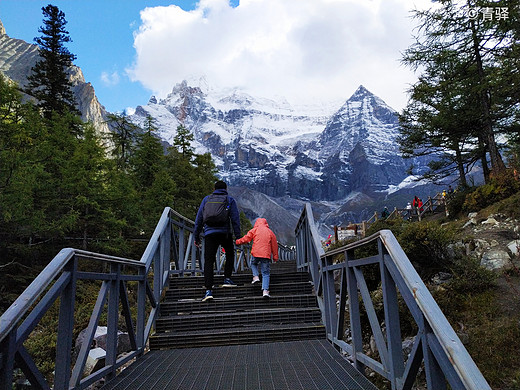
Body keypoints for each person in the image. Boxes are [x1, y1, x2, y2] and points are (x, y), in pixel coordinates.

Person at [194, 180, 241, 302]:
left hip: (209, 234)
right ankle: (227, 278)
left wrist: (196, 237)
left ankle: (208, 290)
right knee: (230, 254)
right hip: (225, 233)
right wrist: (238, 236)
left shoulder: (206, 199)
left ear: (214, 188)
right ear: (225, 189)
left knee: (209, 261)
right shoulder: (229, 199)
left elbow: (199, 219)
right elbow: (235, 219)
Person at [235, 218, 278, 298]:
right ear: (266, 223)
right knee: (265, 273)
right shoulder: (270, 232)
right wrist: (275, 256)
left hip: (256, 253)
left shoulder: (254, 230)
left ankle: (255, 276)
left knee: (253, 263)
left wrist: (238, 242)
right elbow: (274, 245)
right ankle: (265, 291)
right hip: (266, 255)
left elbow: (246, 238)